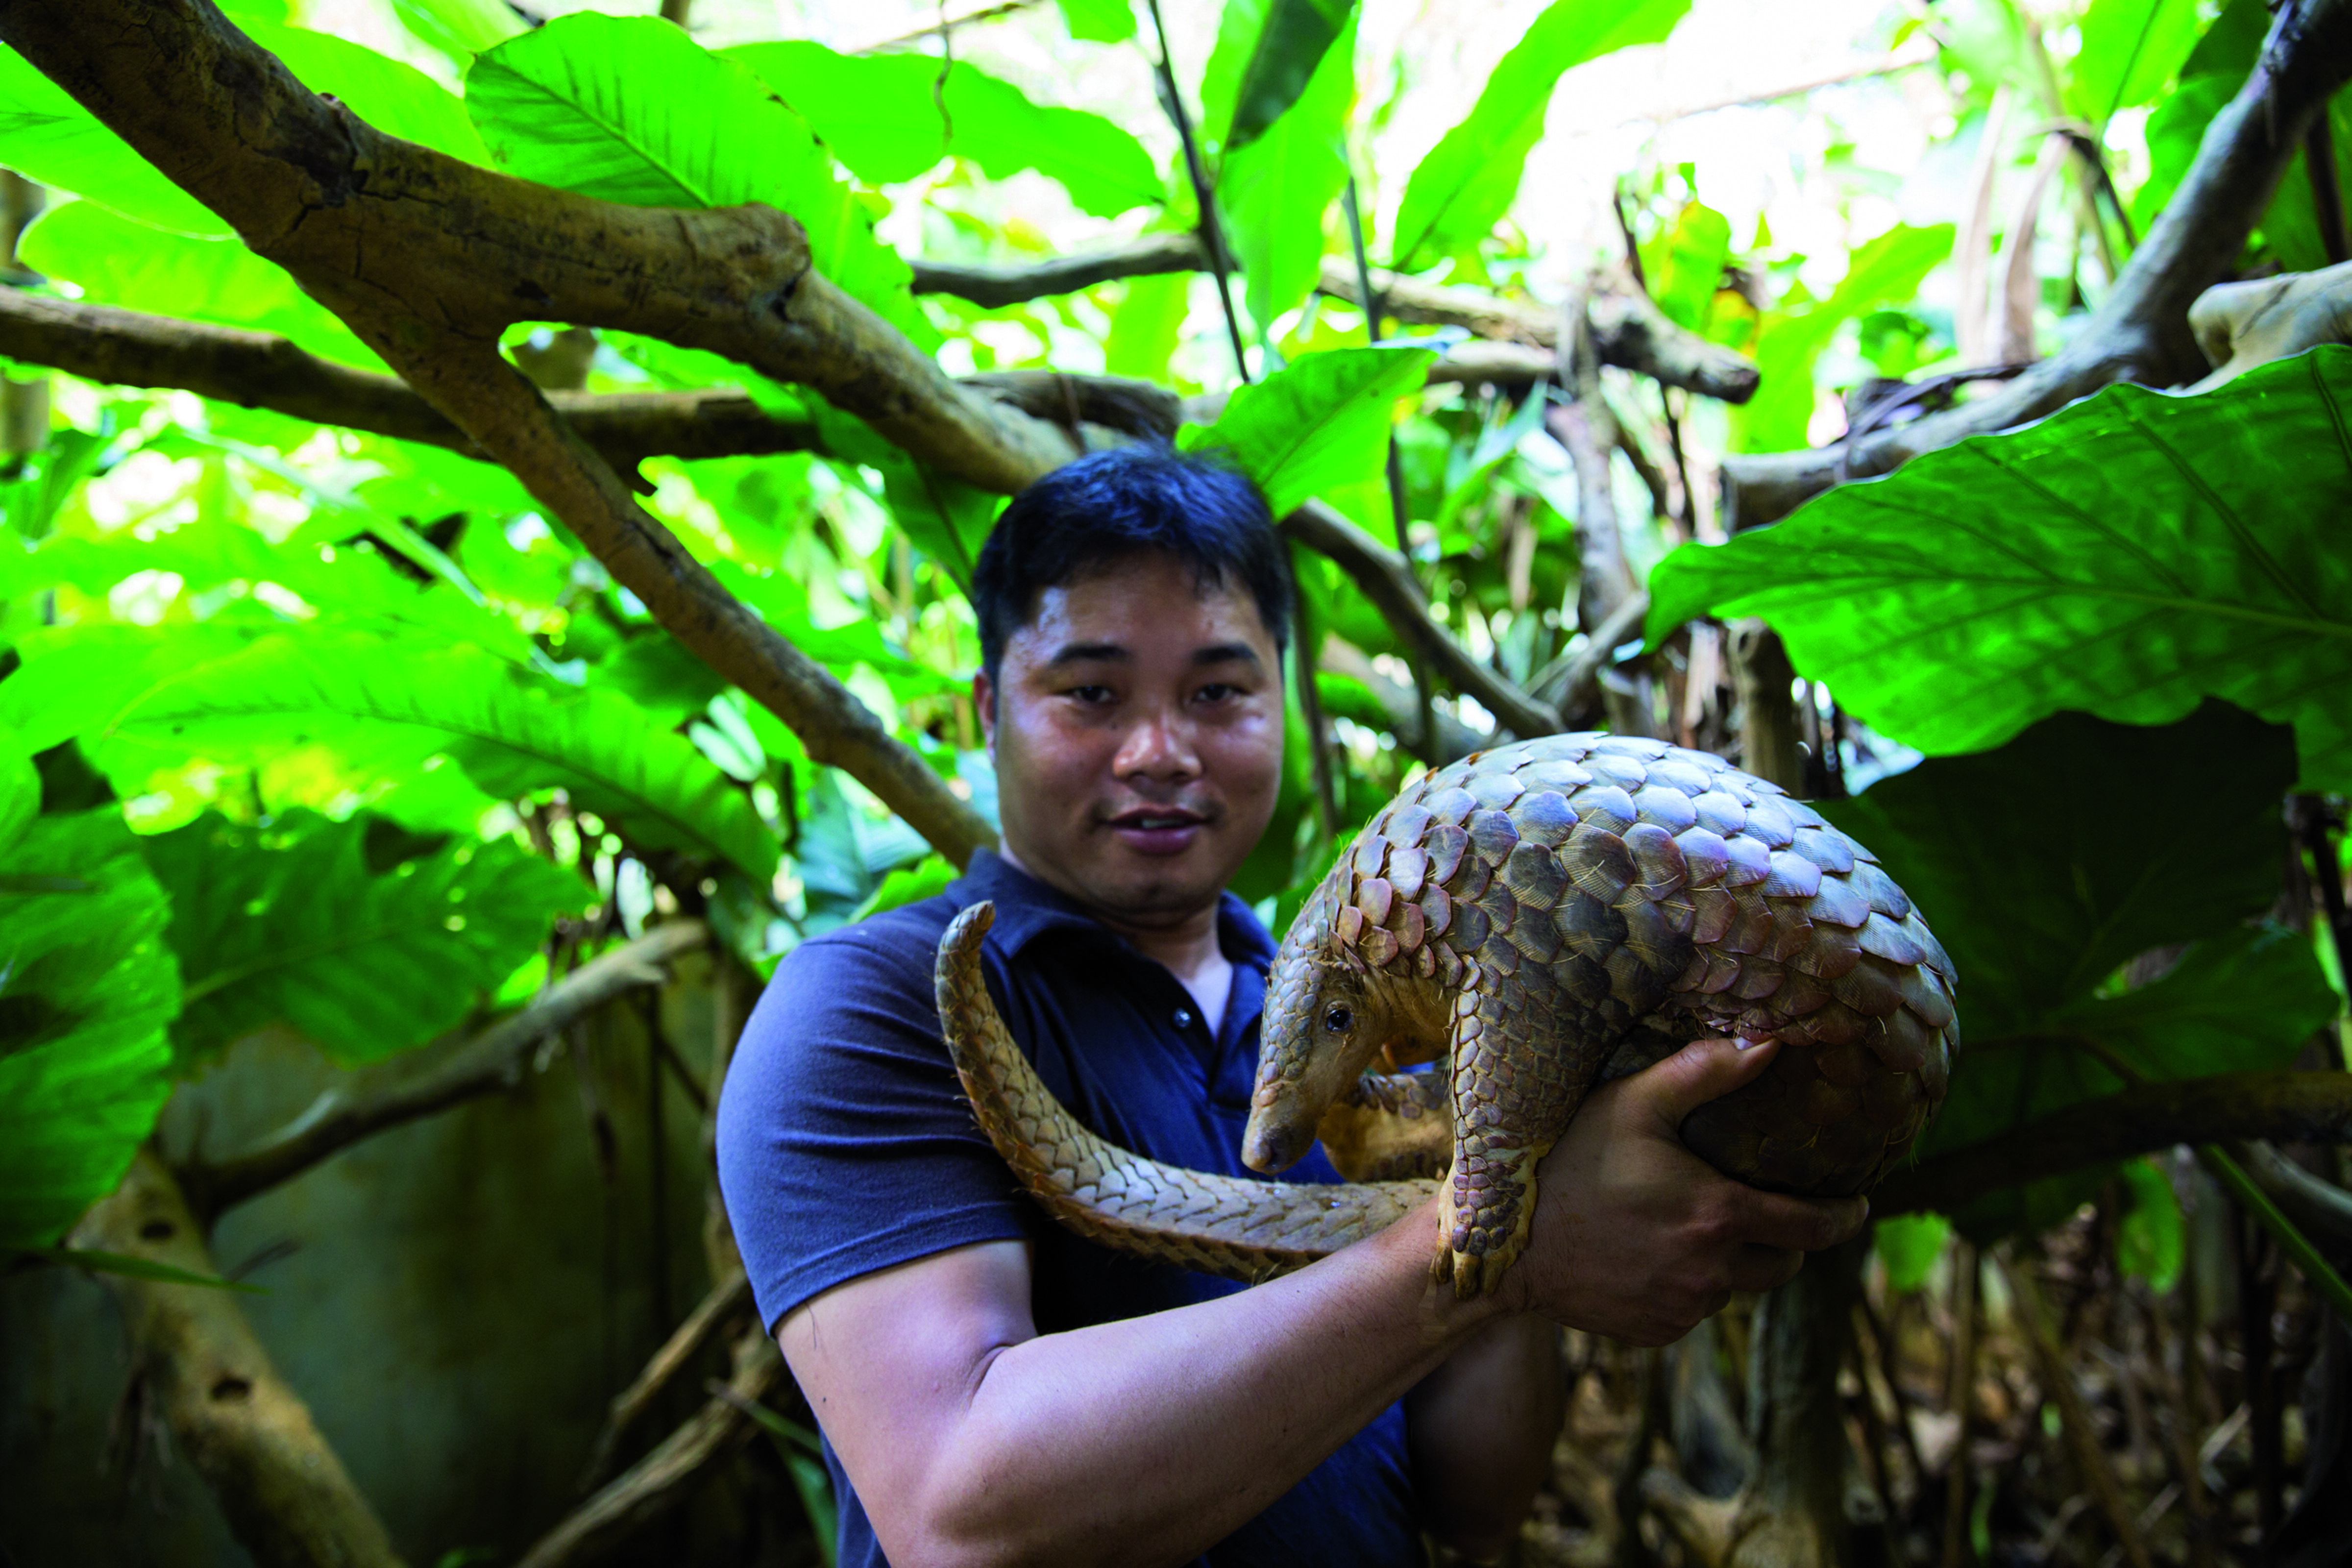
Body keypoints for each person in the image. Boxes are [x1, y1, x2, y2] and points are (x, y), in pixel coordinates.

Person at [715, 446, 1868, 1568]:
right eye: (1092, 693)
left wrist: (1530, 1162)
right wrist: (1499, 1240)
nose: (1160, 751)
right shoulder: (870, 1005)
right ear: (986, 708)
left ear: (1286, 694)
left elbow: (1476, 1499)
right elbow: (958, 1511)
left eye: (1218, 690)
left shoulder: (1381, 1016)